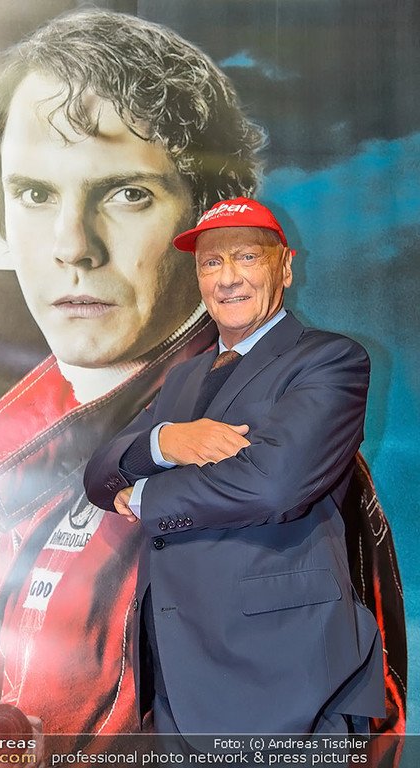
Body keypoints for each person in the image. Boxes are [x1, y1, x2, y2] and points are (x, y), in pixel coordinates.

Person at [0, 7, 405, 761]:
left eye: (126, 193)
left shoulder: (314, 377)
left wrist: (141, 492)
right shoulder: (21, 451)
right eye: (35, 193)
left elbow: (267, 489)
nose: (73, 247)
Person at [84, 198, 386, 737]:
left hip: (283, 674)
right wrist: (166, 441)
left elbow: (272, 484)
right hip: (176, 673)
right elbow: (100, 473)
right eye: (211, 263)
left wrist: (147, 495)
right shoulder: (184, 377)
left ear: (285, 267)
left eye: (246, 257)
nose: (227, 279)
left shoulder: (329, 359)